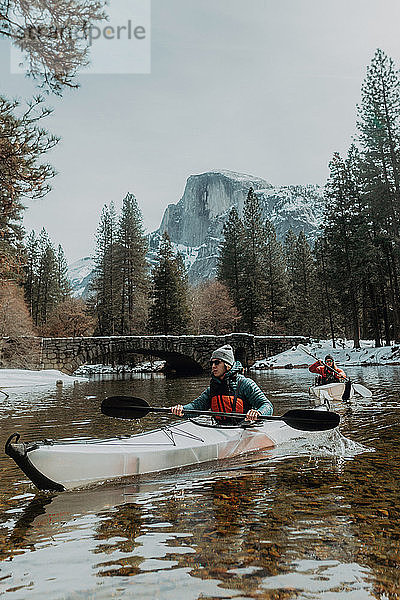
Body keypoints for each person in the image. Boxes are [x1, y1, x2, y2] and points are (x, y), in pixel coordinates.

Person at [171, 344, 273, 423]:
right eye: (212, 363)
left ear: (227, 365)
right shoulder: (213, 388)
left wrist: (258, 412)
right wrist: (181, 410)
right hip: (221, 428)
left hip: (245, 427)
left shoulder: (245, 384)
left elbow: (267, 405)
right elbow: (195, 407)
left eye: (217, 362)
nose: (213, 366)